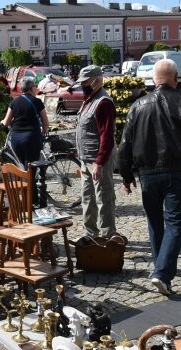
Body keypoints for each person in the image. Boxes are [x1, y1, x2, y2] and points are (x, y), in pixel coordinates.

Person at [118, 59, 181, 296]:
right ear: (175, 77)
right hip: (175, 172)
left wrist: (126, 176)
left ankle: (161, 268)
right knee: (174, 224)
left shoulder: (138, 106)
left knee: (155, 222)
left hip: (147, 174)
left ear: (153, 79)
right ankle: (162, 273)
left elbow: (124, 144)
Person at [72, 65, 117, 239]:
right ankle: (90, 233)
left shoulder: (103, 102)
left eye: (85, 82)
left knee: (104, 197)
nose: (82, 85)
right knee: (87, 197)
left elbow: (107, 136)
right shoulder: (89, 99)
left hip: (98, 160)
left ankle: (107, 235)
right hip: (86, 158)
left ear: (96, 80)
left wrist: (99, 162)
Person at [0, 76, 50, 170]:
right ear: (32, 88)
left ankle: (23, 183)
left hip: (16, 139)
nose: (36, 88)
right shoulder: (37, 101)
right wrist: (44, 131)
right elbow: (45, 122)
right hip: (32, 138)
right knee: (31, 168)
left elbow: (6, 123)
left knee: (21, 167)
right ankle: (32, 184)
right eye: (35, 86)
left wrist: (2, 121)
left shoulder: (14, 102)